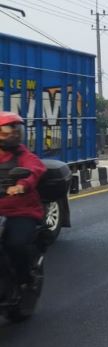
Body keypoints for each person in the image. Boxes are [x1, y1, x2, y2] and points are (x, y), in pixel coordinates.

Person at [0, 112, 46, 297]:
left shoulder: (24, 155)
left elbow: (34, 169)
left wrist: (21, 185)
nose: (14, 135)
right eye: (7, 131)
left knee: (16, 244)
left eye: (16, 130)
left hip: (21, 211)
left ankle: (25, 280)